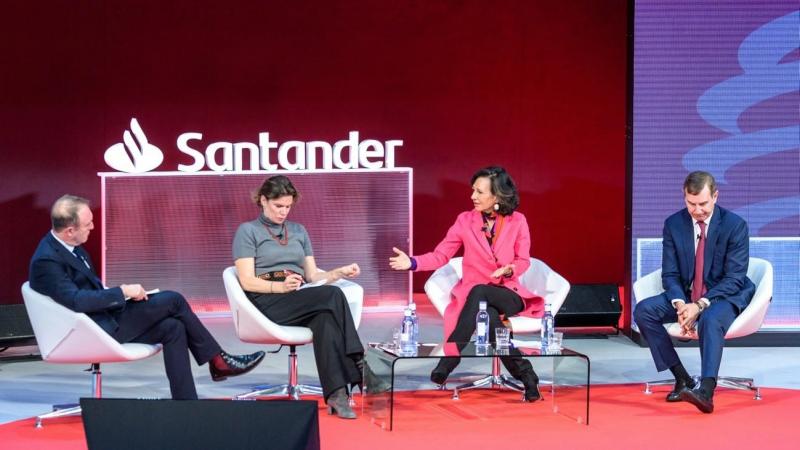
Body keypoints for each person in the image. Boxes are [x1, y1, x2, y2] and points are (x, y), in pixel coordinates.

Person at [29, 195, 265, 400]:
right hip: (92, 330)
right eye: (88, 224)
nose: (92, 227)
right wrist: (122, 292)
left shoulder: (70, 245)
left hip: (103, 318)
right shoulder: (47, 261)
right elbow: (77, 301)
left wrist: (123, 297)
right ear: (70, 230)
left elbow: (87, 292)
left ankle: (187, 402)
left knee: (173, 328)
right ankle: (218, 361)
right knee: (173, 299)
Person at [390, 166, 542, 402]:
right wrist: (411, 262)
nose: (473, 196)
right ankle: (527, 375)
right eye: (473, 190)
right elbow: (441, 256)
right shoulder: (465, 220)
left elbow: (523, 260)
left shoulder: (517, 221)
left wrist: (510, 268)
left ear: (497, 196)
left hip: (507, 293)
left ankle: (450, 357)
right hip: (475, 296)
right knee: (490, 318)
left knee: (482, 292)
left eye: (480, 192)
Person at [232, 175, 366, 419]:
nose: (283, 212)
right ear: (263, 200)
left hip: (298, 294)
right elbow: (246, 280)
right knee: (332, 295)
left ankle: (337, 395)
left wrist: (338, 272)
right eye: (278, 206)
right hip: (266, 299)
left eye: (288, 206)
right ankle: (359, 362)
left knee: (325, 317)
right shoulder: (247, 231)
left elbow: (313, 275)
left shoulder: (298, 231)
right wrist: (279, 288)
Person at [634, 171, 754, 413]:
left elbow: (734, 278)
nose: (697, 210)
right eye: (691, 203)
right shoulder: (673, 224)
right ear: (684, 197)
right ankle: (683, 379)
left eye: (703, 204)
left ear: (715, 197)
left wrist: (699, 305)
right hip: (688, 296)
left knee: (709, 319)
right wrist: (680, 304)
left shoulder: (735, 225)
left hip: (724, 295)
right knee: (644, 311)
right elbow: (669, 273)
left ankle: (706, 392)